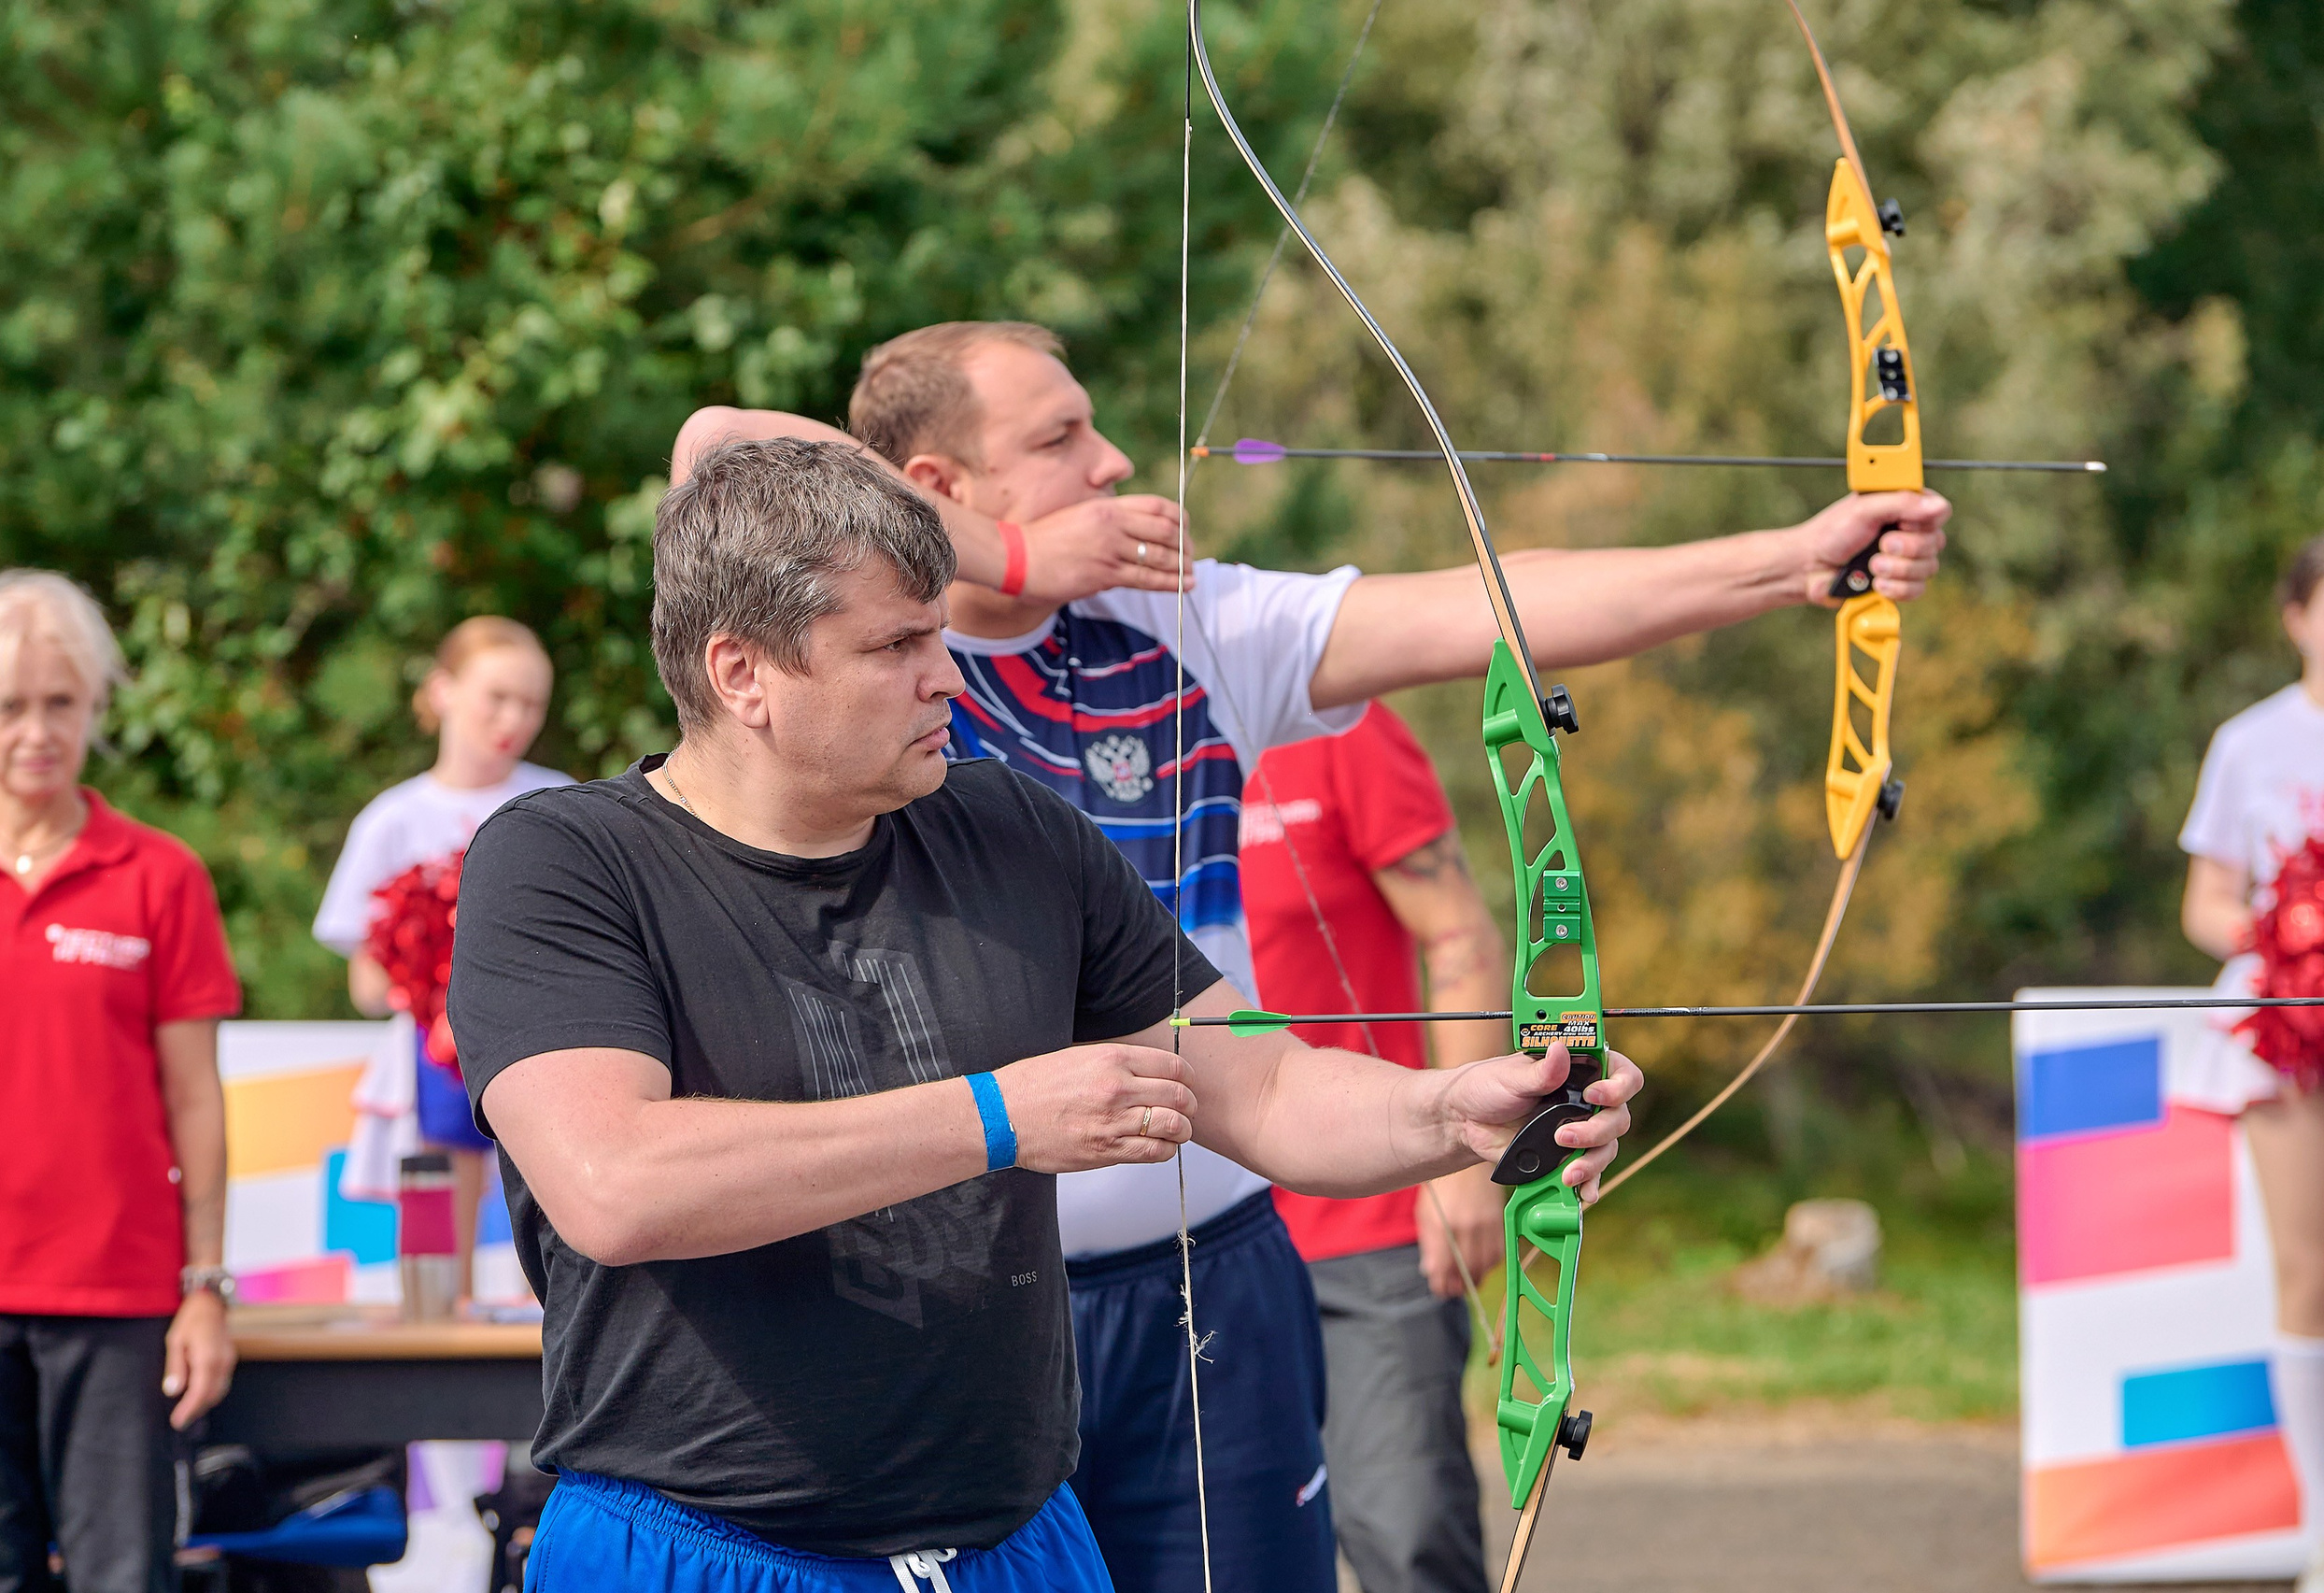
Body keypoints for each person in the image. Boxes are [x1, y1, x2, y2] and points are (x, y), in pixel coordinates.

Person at [670, 319, 1951, 1591]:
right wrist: (1011, 556)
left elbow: (1490, 605)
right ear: (936, 484)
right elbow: (719, 441)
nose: (1111, 463)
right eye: (1059, 439)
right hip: (943, 1308)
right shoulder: (859, 665)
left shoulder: (1183, 622)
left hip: (1208, 1280)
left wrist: (1795, 563)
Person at [444, 438, 1645, 1593]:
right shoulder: (562, 862)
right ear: (741, 672)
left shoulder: (1010, 826)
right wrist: (997, 1116)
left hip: (1012, 1537)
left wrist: (1454, 1109)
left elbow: (1265, 1085)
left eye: (939, 632)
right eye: (896, 645)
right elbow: (614, 1184)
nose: (946, 675)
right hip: (696, 1545)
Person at [0, 570, 243, 1593]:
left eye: (61, 702)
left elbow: (195, 1100)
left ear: (96, 706)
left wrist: (205, 1287)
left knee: (123, 1577)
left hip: (117, 1298)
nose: (38, 731)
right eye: (9, 705)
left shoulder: (161, 877)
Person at [1241, 701, 1513, 1593]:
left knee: (1406, 1533)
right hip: (1197, 1243)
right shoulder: (1099, 733)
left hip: (1370, 1225)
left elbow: (1460, 932)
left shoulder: (1341, 728)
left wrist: (1467, 1168)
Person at [314, 616, 569, 1294]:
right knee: (435, 1229)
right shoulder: (392, 819)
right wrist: (423, 982)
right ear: (442, 690)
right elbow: (366, 983)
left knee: (552, 1208)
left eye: (532, 703)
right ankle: (442, 1321)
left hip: (544, 1045)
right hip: (435, 1060)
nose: (514, 719)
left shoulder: (562, 801)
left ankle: (547, 1321)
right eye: (497, 697)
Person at [2180, 534, 2324, 1593]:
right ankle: (2322, 1522)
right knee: (2308, 1268)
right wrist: (2283, 942)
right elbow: (2205, 903)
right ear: (2295, 616)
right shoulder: (2250, 742)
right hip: (2289, 1032)